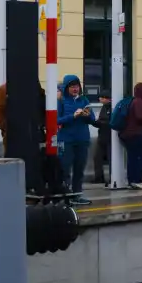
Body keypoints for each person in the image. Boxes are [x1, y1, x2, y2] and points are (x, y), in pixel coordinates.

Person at [56, 74, 98, 203]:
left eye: (77, 86)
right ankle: (66, 194)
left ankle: (77, 194)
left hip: (82, 139)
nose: (75, 89)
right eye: (72, 87)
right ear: (66, 87)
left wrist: (86, 116)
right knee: (65, 168)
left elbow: (91, 120)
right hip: (66, 140)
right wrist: (73, 116)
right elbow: (56, 120)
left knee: (79, 168)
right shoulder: (61, 101)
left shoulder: (84, 100)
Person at [118, 81, 142, 189]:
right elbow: (140, 118)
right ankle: (137, 180)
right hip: (135, 134)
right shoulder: (139, 102)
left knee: (133, 158)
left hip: (128, 134)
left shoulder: (133, 101)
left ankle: (132, 181)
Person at [92, 91, 112, 185]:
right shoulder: (104, 107)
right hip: (102, 136)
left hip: (110, 137)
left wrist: (98, 123)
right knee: (97, 157)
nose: (99, 99)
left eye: (101, 97)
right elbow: (101, 121)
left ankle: (113, 177)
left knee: (111, 158)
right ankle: (99, 178)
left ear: (107, 98)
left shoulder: (112, 107)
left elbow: (109, 122)